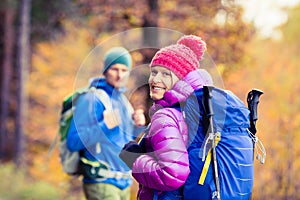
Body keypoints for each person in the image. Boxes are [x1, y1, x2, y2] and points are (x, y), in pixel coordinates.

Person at [120, 35, 213, 199]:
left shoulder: (166, 116)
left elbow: (172, 174)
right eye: (154, 72)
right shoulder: (192, 111)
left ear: (181, 80)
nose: (155, 79)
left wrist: (134, 160)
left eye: (165, 74)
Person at [66, 47, 146, 200]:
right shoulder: (91, 99)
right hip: (102, 183)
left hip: (123, 182)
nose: (119, 75)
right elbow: (73, 142)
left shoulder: (121, 100)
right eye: (114, 69)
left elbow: (122, 140)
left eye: (124, 70)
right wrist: (104, 126)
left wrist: (138, 126)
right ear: (105, 70)